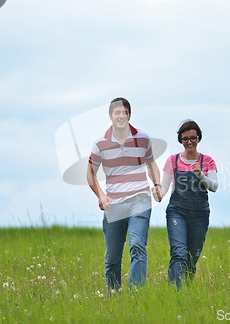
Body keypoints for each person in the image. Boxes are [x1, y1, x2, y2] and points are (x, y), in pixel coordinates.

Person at [87, 97, 162, 293]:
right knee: (112, 258)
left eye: (124, 112)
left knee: (137, 246)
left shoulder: (143, 138)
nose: (121, 116)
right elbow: (90, 174)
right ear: (110, 116)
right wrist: (101, 195)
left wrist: (156, 184)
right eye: (117, 112)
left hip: (140, 200)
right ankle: (114, 296)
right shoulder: (100, 143)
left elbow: (151, 163)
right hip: (114, 204)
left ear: (129, 115)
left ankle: (136, 295)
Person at [159, 120, 218, 288]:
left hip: (200, 214)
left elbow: (214, 186)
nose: (189, 142)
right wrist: (157, 194)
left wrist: (200, 175)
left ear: (198, 138)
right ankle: (174, 293)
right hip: (177, 211)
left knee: (192, 258)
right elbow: (163, 189)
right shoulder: (172, 161)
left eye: (193, 138)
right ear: (180, 140)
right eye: (185, 139)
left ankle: (186, 289)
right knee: (179, 253)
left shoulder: (208, 161)